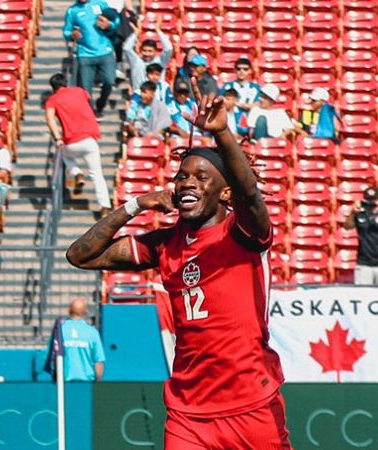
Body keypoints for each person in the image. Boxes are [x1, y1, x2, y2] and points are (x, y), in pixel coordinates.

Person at [66, 78, 290, 448]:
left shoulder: (243, 233)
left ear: (225, 192)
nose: (188, 183)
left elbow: (250, 193)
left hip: (250, 404)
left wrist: (222, 133)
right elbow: (80, 256)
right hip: (188, 411)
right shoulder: (165, 244)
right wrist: (136, 204)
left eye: (202, 178)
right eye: (182, 177)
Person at [45, 73, 112, 215]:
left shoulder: (53, 100)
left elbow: (50, 118)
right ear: (66, 83)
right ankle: (105, 207)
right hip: (89, 139)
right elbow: (87, 98)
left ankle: (77, 172)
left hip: (71, 142)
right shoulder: (79, 91)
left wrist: (57, 138)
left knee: (63, 153)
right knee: (97, 175)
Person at [62, 0, 118, 117]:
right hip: (85, 54)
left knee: (109, 81)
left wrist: (109, 25)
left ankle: (101, 103)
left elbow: (116, 20)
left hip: (105, 51)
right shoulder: (72, 11)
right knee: (86, 89)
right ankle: (91, 113)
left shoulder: (100, 4)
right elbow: (66, 31)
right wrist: (72, 35)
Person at [46, 298, 105, 382]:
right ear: (86, 312)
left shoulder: (59, 330)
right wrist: (96, 383)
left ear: (68, 311)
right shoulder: (92, 332)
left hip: (63, 384)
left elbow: (51, 357)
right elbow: (99, 363)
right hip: (87, 383)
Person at [123, 18, 172, 93]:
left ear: (155, 52)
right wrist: (136, 33)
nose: (147, 54)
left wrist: (158, 31)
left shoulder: (161, 61)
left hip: (157, 96)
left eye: (150, 51)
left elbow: (169, 48)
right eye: (144, 51)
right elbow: (127, 48)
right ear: (140, 51)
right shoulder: (136, 61)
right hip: (139, 96)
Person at [344, 186, 378, 285]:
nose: (371, 202)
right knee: (363, 292)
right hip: (364, 263)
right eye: (369, 200)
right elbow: (347, 226)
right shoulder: (360, 213)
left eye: (373, 199)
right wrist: (353, 213)